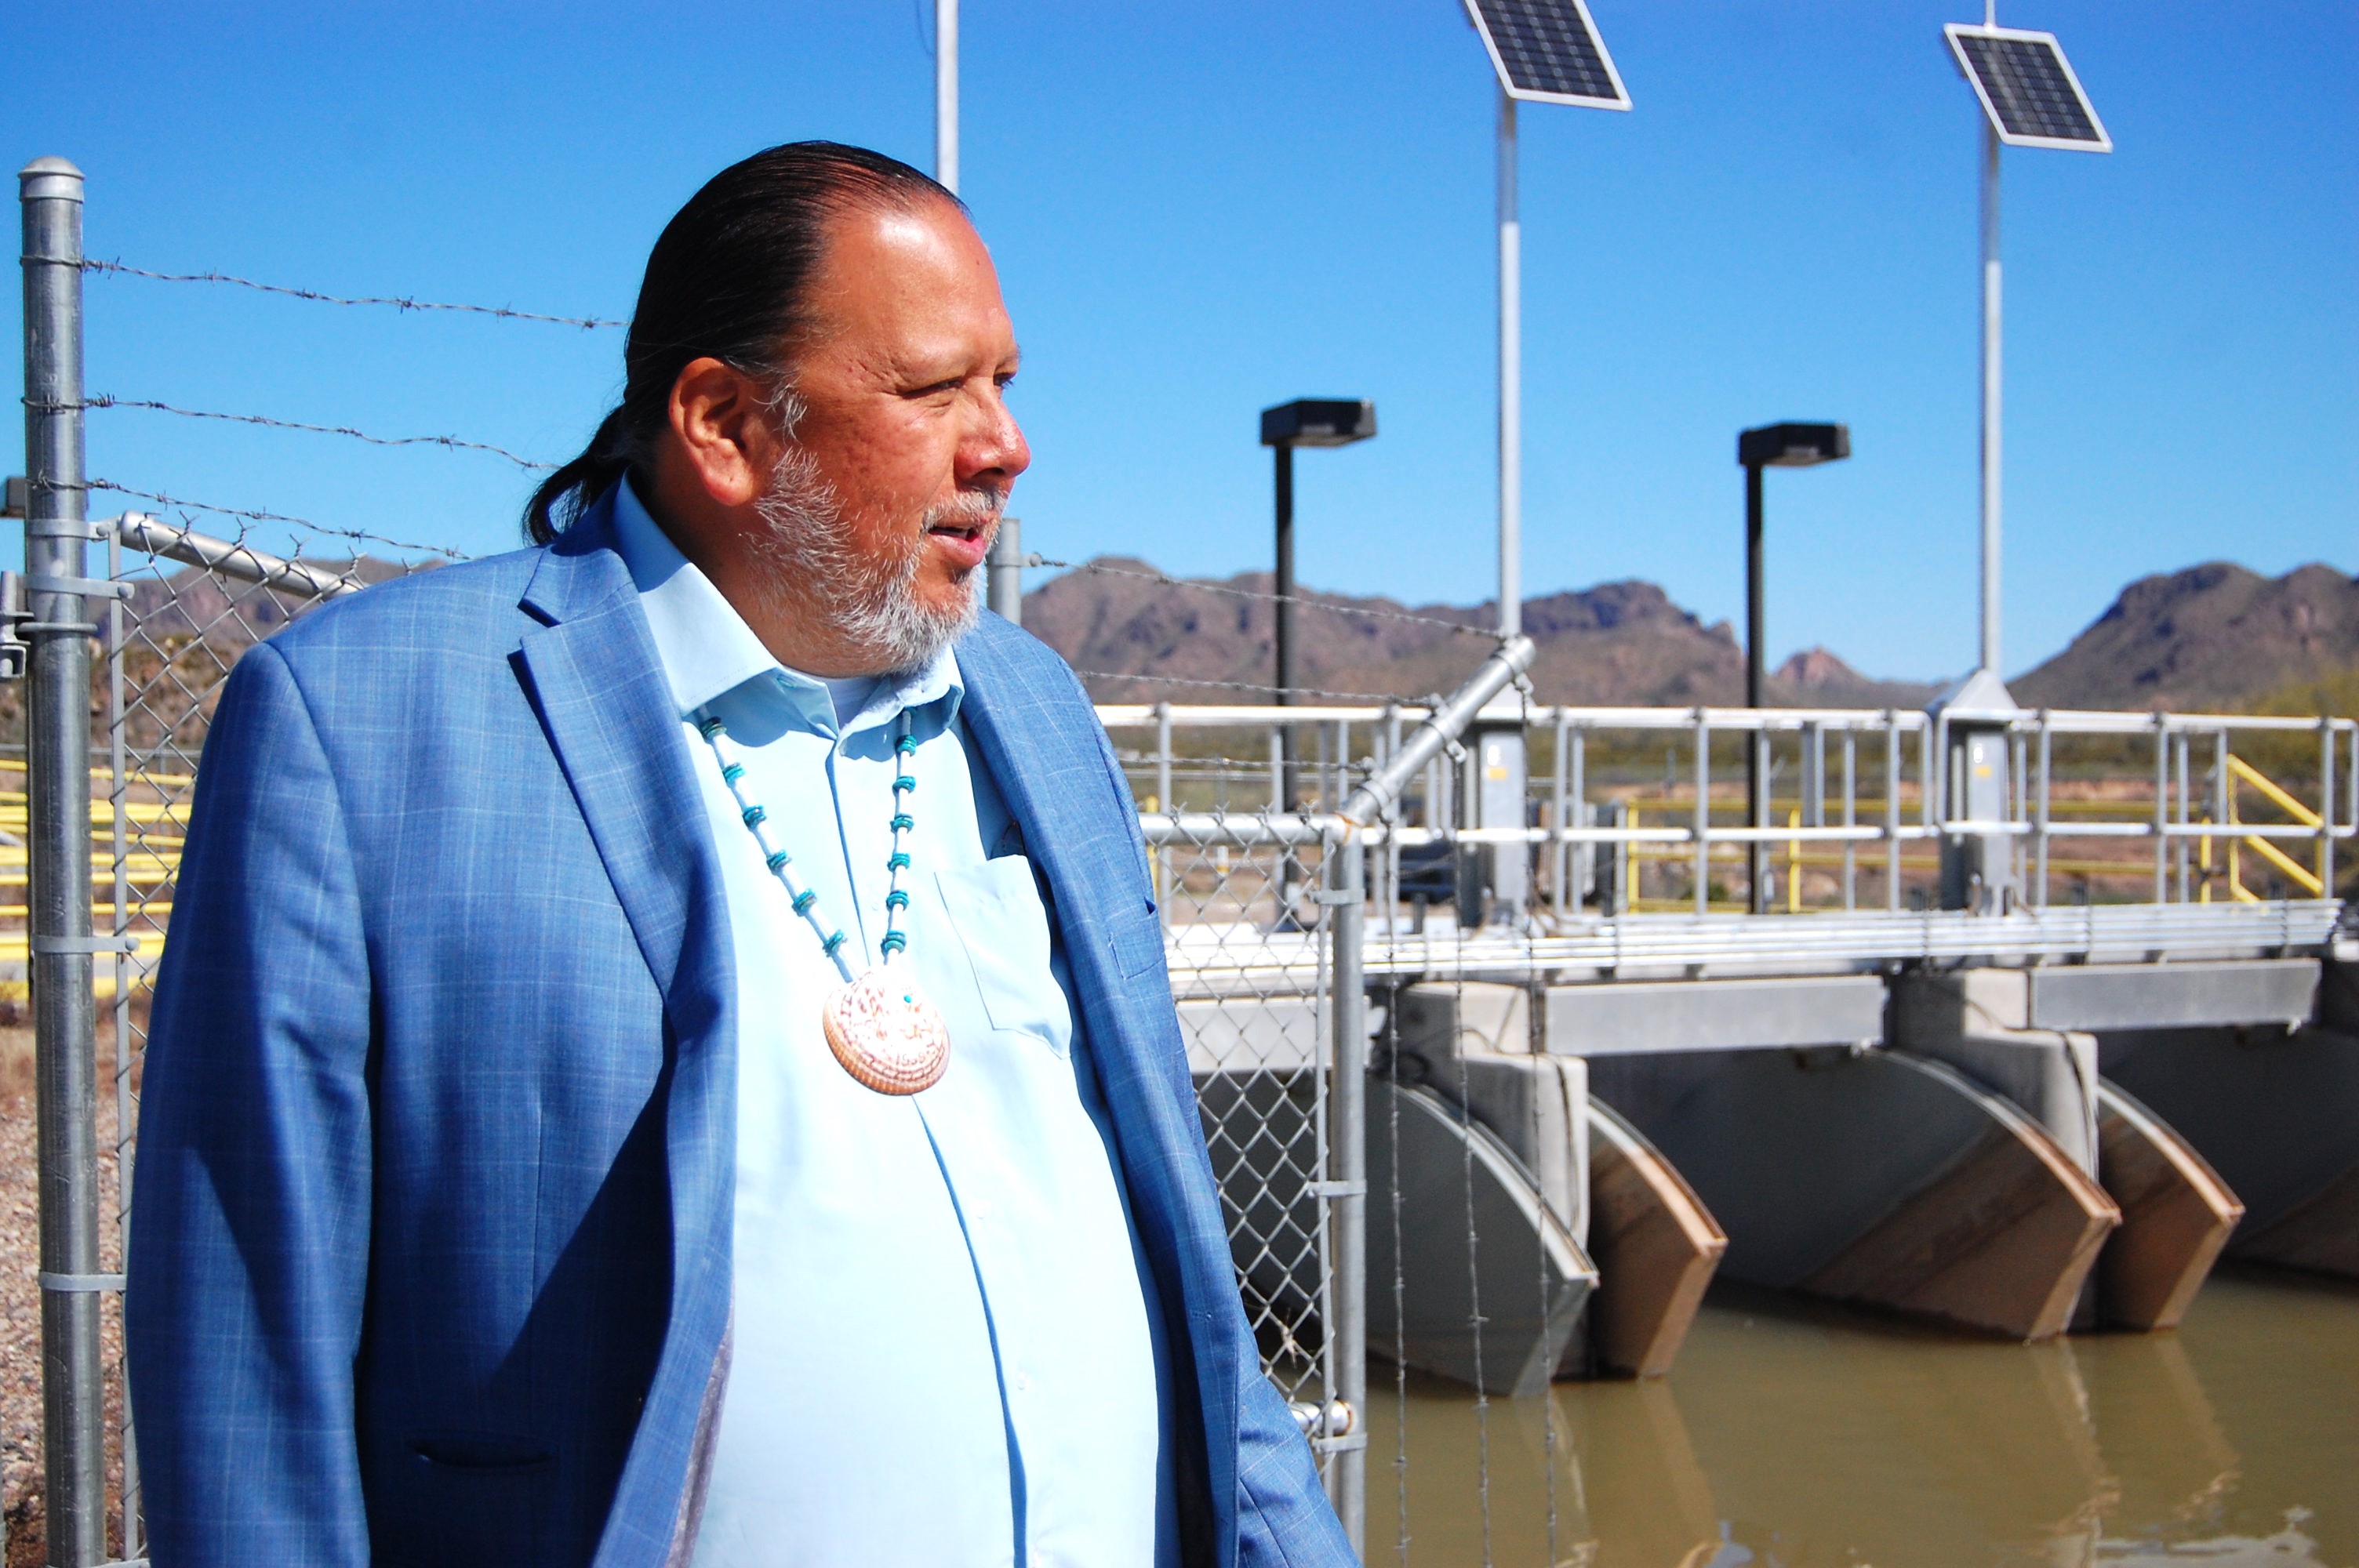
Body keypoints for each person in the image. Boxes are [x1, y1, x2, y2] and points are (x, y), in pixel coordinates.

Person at [125, 141, 1354, 1568]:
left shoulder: (1038, 710)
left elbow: (1185, 1270)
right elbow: (245, 1367)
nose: (1004, 443)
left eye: (1004, 383)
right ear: (723, 422)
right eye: (932, 389)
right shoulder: (361, 724)